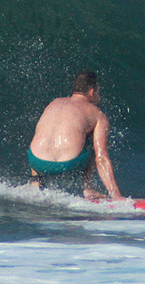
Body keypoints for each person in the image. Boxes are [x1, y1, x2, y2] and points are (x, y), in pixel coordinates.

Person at [27, 71, 126, 201]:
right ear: (92, 91)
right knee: (92, 145)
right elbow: (101, 158)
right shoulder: (97, 114)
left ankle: (35, 183)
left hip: (36, 161)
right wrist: (115, 194)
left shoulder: (54, 103)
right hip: (67, 163)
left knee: (43, 135)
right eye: (98, 91)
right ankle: (88, 188)